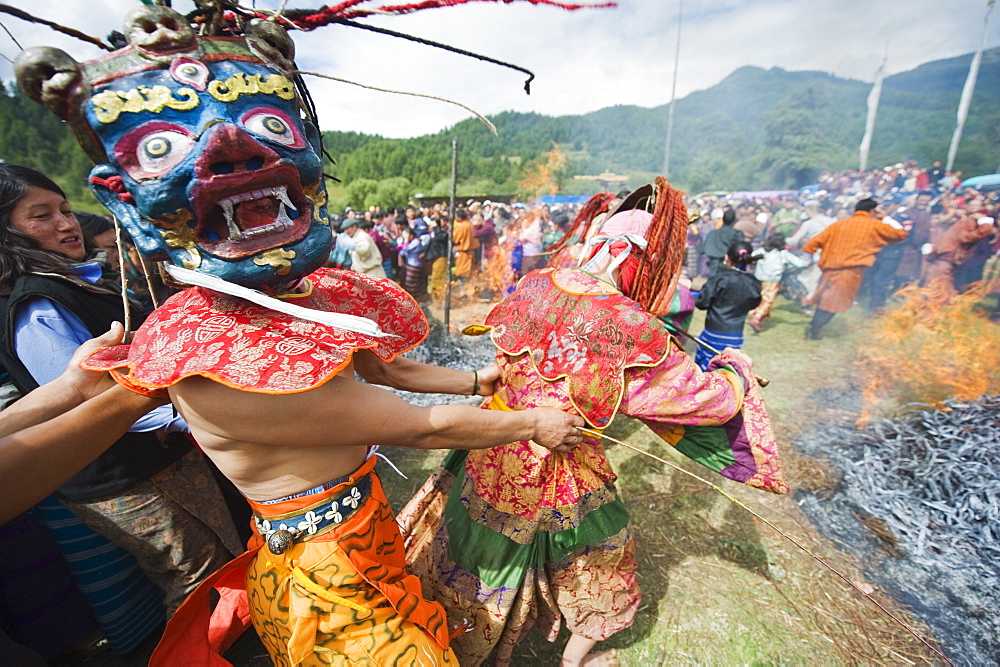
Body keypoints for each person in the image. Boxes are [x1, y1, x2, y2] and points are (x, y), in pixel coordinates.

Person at [17, 10, 583, 664]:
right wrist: (532, 424)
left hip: (365, 528)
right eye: (161, 147)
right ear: (122, 199)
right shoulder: (208, 353)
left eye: (271, 126)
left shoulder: (306, 300)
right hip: (326, 570)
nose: (236, 147)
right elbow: (417, 425)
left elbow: (388, 371)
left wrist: (478, 380)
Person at [398, 181, 787, 667]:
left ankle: (450, 633)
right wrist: (735, 371)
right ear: (643, 263)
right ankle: (573, 659)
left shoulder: (539, 281)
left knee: (475, 543)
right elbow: (706, 402)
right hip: (559, 464)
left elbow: (506, 354)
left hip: (492, 441)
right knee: (603, 562)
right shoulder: (630, 326)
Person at [802, 198, 908, 339]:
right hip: (848, 271)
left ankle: (814, 328)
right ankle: (813, 331)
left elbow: (810, 245)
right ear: (873, 211)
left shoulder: (839, 224)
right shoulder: (874, 224)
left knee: (826, 299)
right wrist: (886, 218)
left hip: (829, 270)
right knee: (832, 302)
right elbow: (901, 234)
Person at [694, 241, 762, 370]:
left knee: (705, 367)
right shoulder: (753, 282)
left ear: (727, 257)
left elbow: (702, 303)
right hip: (735, 336)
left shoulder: (720, 279)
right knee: (726, 367)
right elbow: (754, 303)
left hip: (713, 333)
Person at [922, 197, 996, 294]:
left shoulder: (973, 220)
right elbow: (965, 237)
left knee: (940, 281)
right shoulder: (968, 220)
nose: (973, 208)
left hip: (949, 255)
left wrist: (985, 224)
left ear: (982, 207)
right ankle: (933, 302)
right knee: (939, 281)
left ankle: (935, 301)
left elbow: (968, 237)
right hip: (947, 255)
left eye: (976, 206)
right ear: (967, 206)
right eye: (971, 205)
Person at [747, 233, 809, 331]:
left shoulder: (762, 251)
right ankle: (757, 318)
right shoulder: (782, 254)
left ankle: (762, 315)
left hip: (758, 279)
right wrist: (809, 262)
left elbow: (751, 258)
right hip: (772, 280)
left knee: (761, 298)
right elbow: (799, 263)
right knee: (768, 300)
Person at [701, 208, 744, 276]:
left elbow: (704, 249)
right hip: (729, 263)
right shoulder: (737, 234)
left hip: (715, 264)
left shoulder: (713, 233)